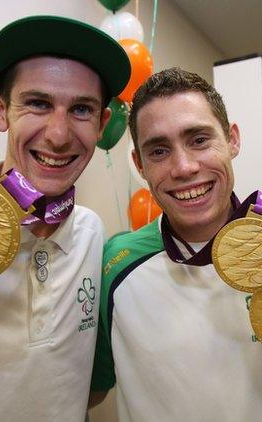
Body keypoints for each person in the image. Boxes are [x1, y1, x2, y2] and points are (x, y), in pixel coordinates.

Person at [0, 15, 130, 422]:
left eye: (82, 109)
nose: (58, 135)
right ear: (0, 111)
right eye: (38, 103)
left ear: (103, 125)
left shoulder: (91, 232)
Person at [90, 67, 262, 421]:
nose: (183, 167)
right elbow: (81, 388)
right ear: (139, 164)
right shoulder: (115, 265)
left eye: (199, 140)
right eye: (158, 151)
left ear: (232, 139)